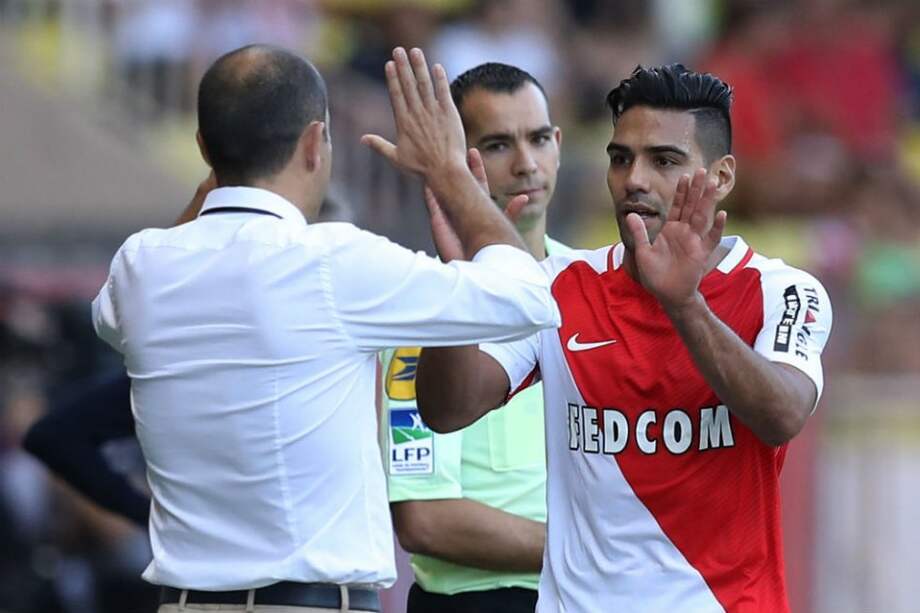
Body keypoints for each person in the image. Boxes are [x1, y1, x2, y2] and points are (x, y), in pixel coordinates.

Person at [91, 44, 561, 613]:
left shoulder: (138, 267)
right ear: (316, 143)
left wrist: (222, 169)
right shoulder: (333, 262)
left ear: (204, 151)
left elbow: (110, 321)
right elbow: (529, 294)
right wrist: (448, 172)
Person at [414, 64, 833, 612]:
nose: (634, 178)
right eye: (620, 158)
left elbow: (783, 415)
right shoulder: (557, 287)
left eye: (664, 160)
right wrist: (460, 291)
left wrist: (684, 306)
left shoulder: (783, 291)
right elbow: (448, 410)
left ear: (722, 176)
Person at [382, 63, 569, 613]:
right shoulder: (425, 311)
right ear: (462, 163)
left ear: (559, 144)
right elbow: (427, 520)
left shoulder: (603, 289)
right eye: (497, 145)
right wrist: (590, 549)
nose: (526, 163)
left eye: (538, 139)